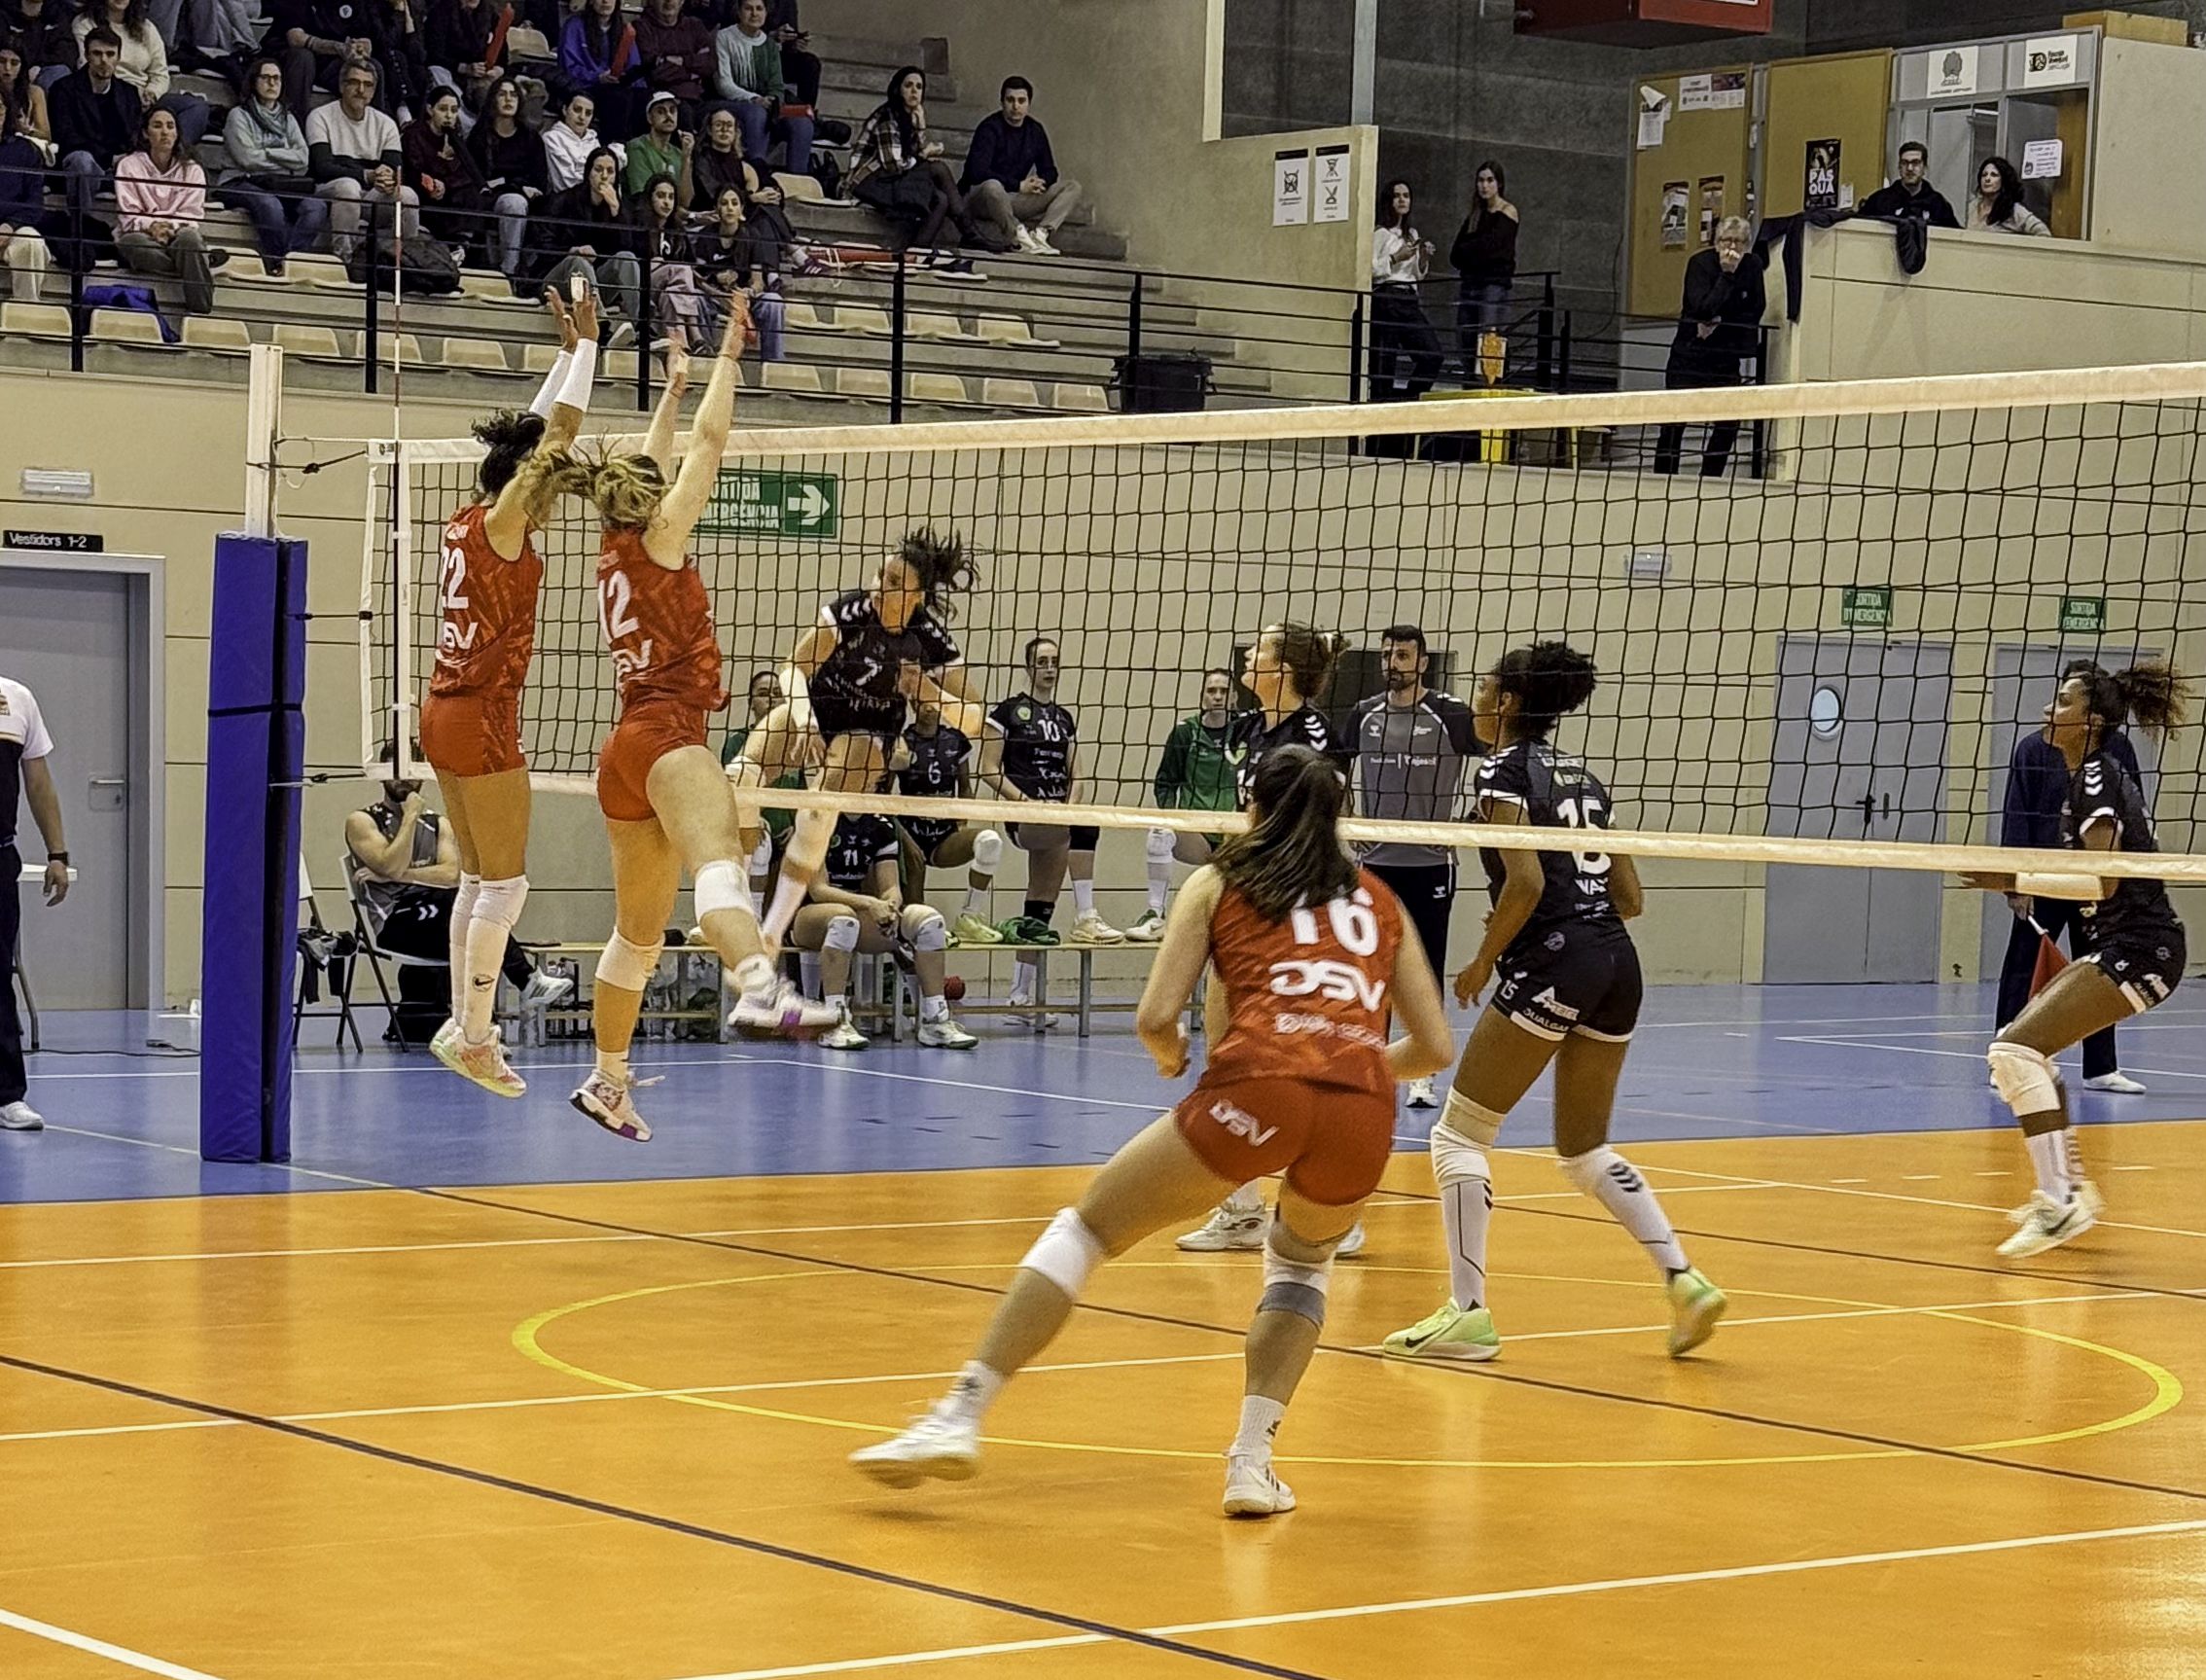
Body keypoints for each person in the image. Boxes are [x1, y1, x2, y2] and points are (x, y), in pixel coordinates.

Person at [850, 745, 1454, 1512]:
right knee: (1300, 1266)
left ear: (1253, 812)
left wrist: (1175, 1060)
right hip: (1363, 1109)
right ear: (1339, 817)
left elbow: (1155, 1018)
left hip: (1259, 1085)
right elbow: (1435, 1047)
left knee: (1086, 1229)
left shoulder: (1221, 879)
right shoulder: (1380, 901)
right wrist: (1353, 1064)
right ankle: (1249, 1462)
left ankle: (957, 1414)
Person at [1381, 641, 1726, 1365]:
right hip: (1616, 963)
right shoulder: (1588, 778)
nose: (1474, 698)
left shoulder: (1501, 771)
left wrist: (1481, 962)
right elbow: (1630, 897)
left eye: (1482, 687)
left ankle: (1469, 1314)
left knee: (1459, 1135)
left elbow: (1528, 883)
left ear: (1507, 702)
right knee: (1584, 1147)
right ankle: (1683, 1278)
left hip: (1556, 958)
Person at [552, 317, 841, 1143]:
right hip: (672, 737)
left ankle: (608, 1080)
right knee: (722, 866)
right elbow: (709, 447)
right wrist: (727, 359)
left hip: (625, 753)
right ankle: (757, 987)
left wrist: (671, 389)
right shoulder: (662, 540)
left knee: (636, 939)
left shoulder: (614, 545)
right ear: (653, 501)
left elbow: (657, 460)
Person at [417, 289, 594, 1094]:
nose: (553, 501)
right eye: (545, 490)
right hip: (483, 715)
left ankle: (464, 1024)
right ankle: (478, 1033)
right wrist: (590, 350)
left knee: (478, 880)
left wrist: (559, 357)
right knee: (507, 883)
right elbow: (552, 442)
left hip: (441, 707)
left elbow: (529, 440)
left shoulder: (467, 515)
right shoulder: (504, 526)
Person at [1964, 662, 2191, 1257]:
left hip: (2140, 949)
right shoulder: (2085, 775)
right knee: (2027, 1052)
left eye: (2061, 702)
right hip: (2123, 945)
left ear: (2090, 722)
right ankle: (2067, 1191)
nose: (2048, 711)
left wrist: (2010, 878)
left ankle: (2061, 1203)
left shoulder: (2095, 776)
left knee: (2013, 1052)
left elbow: (2101, 883)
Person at [1178, 624, 1366, 1258]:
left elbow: (1327, 834)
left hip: (1298, 915)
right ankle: (1241, 1208)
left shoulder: (1314, 739)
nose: (1248, 657)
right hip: (1250, 904)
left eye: (1260, 649)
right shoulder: (1253, 730)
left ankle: (1331, 1205)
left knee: (1305, 1060)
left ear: (1282, 668)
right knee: (1231, 1054)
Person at [729, 529, 989, 958]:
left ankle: (772, 932)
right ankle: (741, 909)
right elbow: (793, 669)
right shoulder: (848, 612)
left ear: (915, 597)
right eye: (879, 575)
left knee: (822, 802)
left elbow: (976, 721)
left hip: (872, 732)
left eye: (892, 583)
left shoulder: (930, 640)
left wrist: (927, 691)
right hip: (820, 711)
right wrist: (803, 717)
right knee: (739, 778)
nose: (878, 586)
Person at [1994, 660, 2147, 1097]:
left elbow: (2129, 818)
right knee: (2021, 968)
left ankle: (2101, 1067)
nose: (2053, 709)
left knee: (2098, 973)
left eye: (2066, 700)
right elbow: (2016, 816)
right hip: (2043, 879)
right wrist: (2015, 881)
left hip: (2093, 884)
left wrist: (2123, 881)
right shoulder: (2031, 749)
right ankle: (2007, 1055)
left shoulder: (2118, 753)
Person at [1352, 624, 1477, 1109]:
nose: (1393, 664)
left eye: (1403, 655)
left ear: (1422, 662)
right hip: (1375, 862)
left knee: (1425, 967)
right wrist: (1347, 829)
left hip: (1429, 864)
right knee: (1372, 965)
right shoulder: (1363, 715)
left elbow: (1493, 760)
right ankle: (1372, 1066)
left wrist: (1479, 820)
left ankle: (1422, 1073)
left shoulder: (1451, 714)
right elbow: (1337, 773)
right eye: (1387, 655)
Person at [985, 636, 1121, 1022]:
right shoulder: (1007, 712)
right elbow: (989, 768)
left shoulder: (1064, 718)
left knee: (1040, 907)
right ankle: (1086, 916)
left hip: (1059, 816)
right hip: (1025, 816)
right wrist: (1024, 803)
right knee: (1088, 825)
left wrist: (1070, 806)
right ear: (1029, 668)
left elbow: (1077, 773)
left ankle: (1018, 998)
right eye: (1041, 661)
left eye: (1054, 661)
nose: (1048, 667)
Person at [792, 811, 978, 1051]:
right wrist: (871, 904)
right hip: (809, 915)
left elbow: (891, 887)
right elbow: (818, 890)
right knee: (843, 919)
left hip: (856, 913)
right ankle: (833, 1022)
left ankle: (934, 1020)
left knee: (929, 921)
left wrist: (890, 905)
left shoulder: (880, 825)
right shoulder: (816, 820)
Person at [1130, 666, 1253, 943]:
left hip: (1234, 834)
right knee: (1159, 831)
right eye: (1212, 691)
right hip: (1195, 833)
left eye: (1223, 691)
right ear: (1202, 696)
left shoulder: (1245, 732)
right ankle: (1154, 913)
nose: (1218, 696)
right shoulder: (1185, 733)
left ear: (1233, 696)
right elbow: (1165, 781)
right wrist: (1173, 816)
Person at [1, 670, 69, 1133]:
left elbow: (39, 784)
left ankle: (8, 1095)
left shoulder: (17, 698)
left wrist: (57, 853)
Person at [1652, 213, 1764, 478]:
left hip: (1725, 357)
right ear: (1716, 242)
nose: (1731, 248)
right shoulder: (1699, 264)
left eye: (1738, 242)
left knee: (1729, 422)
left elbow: (1755, 308)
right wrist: (1726, 276)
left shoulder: (1753, 266)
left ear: (1746, 245)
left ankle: (1711, 476)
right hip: (1690, 355)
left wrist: (1721, 320)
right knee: (1673, 423)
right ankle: (1663, 476)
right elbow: (1701, 307)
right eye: (1726, 241)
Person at [846, 64, 982, 280]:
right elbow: (894, 165)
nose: (914, 91)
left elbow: (914, 159)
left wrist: (921, 128)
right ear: (898, 89)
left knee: (941, 198)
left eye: (919, 87)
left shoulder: (911, 115)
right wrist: (924, 154)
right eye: (908, 85)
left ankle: (916, 253)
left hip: (892, 181)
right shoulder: (887, 116)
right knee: (937, 168)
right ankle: (968, 230)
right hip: (868, 182)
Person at [891, 696, 1000, 947]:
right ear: (912, 704)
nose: (929, 707)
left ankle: (969, 918)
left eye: (934, 701)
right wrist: (901, 838)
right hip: (911, 834)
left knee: (990, 841)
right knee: (916, 910)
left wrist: (960, 825)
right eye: (921, 702)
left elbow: (965, 787)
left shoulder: (955, 739)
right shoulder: (902, 743)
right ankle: (921, 936)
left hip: (944, 836)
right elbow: (884, 796)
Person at [220, 55, 331, 271]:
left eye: (277, 79)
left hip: (280, 183)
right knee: (270, 205)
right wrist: (284, 157)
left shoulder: (288, 119)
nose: (272, 83)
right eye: (266, 77)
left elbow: (303, 160)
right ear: (253, 82)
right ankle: (277, 261)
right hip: (239, 180)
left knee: (316, 207)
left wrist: (266, 152)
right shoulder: (238, 116)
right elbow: (247, 160)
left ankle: (290, 260)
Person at [308, 57, 421, 264]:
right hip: (329, 190)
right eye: (354, 82)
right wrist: (366, 175)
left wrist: (388, 179)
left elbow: (395, 169)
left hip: (371, 195)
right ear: (342, 86)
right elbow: (322, 167)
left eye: (368, 85)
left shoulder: (386, 123)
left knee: (407, 195)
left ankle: (407, 262)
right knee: (348, 187)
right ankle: (344, 259)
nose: (361, 90)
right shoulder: (320, 116)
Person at [526, 142, 641, 343]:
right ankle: (601, 325)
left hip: (593, 285)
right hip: (557, 279)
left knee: (627, 258)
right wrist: (572, 250)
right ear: (588, 173)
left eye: (610, 171)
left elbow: (625, 247)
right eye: (598, 170)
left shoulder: (619, 208)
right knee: (578, 261)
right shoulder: (564, 200)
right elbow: (543, 246)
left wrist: (616, 212)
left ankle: (641, 326)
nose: (604, 176)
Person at [115, 106, 221, 314]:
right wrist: (152, 226)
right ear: (146, 133)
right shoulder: (129, 165)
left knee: (190, 239)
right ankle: (197, 261)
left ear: (177, 133)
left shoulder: (192, 169)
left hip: (178, 234)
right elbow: (129, 214)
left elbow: (191, 215)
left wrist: (168, 227)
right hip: (142, 234)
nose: (165, 132)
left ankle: (200, 312)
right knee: (131, 243)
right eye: (157, 126)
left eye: (170, 126)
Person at [960, 76, 1081, 257]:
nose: (1016, 106)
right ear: (1002, 102)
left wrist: (1041, 183)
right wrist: (1018, 185)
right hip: (984, 199)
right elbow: (976, 172)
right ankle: (1018, 237)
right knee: (993, 185)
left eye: (1021, 101)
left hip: (1017, 198)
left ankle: (1041, 234)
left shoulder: (1035, 130)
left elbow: (1050, 170)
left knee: (1072, 187)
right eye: (1010, 100)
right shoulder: (989, 128)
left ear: (1028, 104)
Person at [72, 0, 208, 149]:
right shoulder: (85, 24)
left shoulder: (146, 27)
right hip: (108, 97)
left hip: (145, 99)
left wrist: (151, 94)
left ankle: (168, 156)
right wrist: (129, 95)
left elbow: (160, 72)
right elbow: (89, 67)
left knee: (196, 106)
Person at [711, 0, 807, 174]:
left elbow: (776, 84)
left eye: (759, 9)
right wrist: (754, 98)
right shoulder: (724, 37)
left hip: (765, 104)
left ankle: (798, 179)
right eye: (748, 8)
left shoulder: (769, 44)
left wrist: (773, 100)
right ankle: (756, 173)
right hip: (730, 102)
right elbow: (724, 85)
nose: (754, 14)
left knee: (802, 122)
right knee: (756, 113)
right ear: (739, 12)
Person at [51, 27, 141, 213]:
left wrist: (127, 160)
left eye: (110, 54)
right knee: (81, 159)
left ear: (118, 57)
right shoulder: (64, 88)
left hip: (119, 168)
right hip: (82, 166)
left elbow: (135, 133)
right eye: (97, 54)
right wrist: (109, 158)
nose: (104, 61)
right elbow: (66, 136)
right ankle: (81, 228)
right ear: (86, 55)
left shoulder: (129, 92)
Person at [1370, 178, 1441, 402]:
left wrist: (1424, 258)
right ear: (1389, 201)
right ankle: (1382, 415)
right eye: (1397, 195)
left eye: (1406, 195)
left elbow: (1417, 274)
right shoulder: (1380, 233)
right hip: (1387, 297)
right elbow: (1368, 269)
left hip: (1408, 299)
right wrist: (1394, 258)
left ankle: (1409, 400)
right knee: (1384, 365)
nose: (1402, 199)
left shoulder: (1412, 233)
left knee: (1432, 355)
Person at [692, 182, 783, 357]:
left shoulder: (752, 235)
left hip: (743, 300)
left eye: (734, 203)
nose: (729, 208)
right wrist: (717, 293)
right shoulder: (706, 235)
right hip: (714, 297)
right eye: (724, 203)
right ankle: (707, 355)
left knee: (774, 301)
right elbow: (697, 278)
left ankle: (774, 363)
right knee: (695, 299)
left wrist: (749, 291)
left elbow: (758, 281)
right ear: (716, 208)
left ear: (741, 209)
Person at [465, 71, 543, 276]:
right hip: (488, 199)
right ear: (493, 100)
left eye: (513, 95)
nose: (508, 99)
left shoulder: (531, 138)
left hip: (522, 199)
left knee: (516, 203)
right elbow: (479, 180)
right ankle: (506, 270)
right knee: (513, 202)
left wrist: (505, 183)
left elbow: (539, 182)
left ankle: (512, 271)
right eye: (502, 94)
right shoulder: (479, 136)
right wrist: (514, 184)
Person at [404, 84, 491, 259]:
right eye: (443, 109)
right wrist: (441, 164)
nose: (449, 115)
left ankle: (463, 246)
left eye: (454, 110)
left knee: (473, 193)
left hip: (449, 195)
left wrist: (446, 182)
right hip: (423, 196)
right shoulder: (413, 135)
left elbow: (467, 175)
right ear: (430, 109)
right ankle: (458, 245)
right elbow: (414, 171)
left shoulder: (455, 139)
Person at [1449, 159, 1515, 385]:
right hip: (1470, 284)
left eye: (1489, 180)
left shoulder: (1507, 212)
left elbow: (1494, 248)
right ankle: (1471, 380)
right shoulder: (1474, 217)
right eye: (1480, 180)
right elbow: (1455, 254)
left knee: (1489, 336)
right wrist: (1475, 251)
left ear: (1499, 183)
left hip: (1493, 285)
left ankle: (1490, 381)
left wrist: (1472, 251)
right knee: (1465, 336)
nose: (1484, 186)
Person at [632, 170, 704, 349]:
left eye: (671, 197)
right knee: (681, 270)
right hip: (643, 284)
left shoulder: (677, 230)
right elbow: (631, 261)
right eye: (661, 196)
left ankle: (681, 345)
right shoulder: (638, 224)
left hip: (668, 288)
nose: (666, 202)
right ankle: (695, 332)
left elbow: (691, 262)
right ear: (650, 198)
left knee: (671, 295)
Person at [557, 0, 637, 143]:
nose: (605, 1)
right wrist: (598, 77)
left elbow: (634, 65)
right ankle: (612, 147)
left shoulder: (624, 29)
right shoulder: (574, 26)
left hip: (620, 88)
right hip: (586, 88)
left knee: (643, 98)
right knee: (618, 99)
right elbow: (569, 67)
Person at [0, 88, 53, 302]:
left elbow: (34, 204)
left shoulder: (25, 150)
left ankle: (26, 311)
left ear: (6, 113)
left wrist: (9, 225)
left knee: (31, 242)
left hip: (11, 230)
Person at [633, 0, 711, 125]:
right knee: (683, 112)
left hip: (698, 98)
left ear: (681, 2)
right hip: (659, 96)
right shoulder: (641, 26)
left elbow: (709, 64)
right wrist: (692, 74)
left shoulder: (695, 25)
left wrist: (681, 60)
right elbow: (657, 73)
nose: (669, 2)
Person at [1859, 140, 1960, 229]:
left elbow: (1954, 236)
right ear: (1899, 167)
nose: (1910, 168)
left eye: (1915, 163)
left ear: (1924, 168)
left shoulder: (1938, 204)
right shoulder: (1880, 200)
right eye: (1904, 163)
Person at [620, 88, 691, 208]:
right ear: (649, 118)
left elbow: (685, 202)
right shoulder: (637, 147)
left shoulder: (679, 153)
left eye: (672, 111)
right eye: (661, 111)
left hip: (672, 217)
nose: (668, 115)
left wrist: (686, 158)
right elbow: (643, 197)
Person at [541, 87, 609, 194]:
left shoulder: (594, 141)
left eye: (588, 113)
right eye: (577, 110)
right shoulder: (552, 139)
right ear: (565, 110)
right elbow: (566, 182)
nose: (582, 117)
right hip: (565, 201)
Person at [1969, 156, 2049, 237]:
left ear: (2004, 180)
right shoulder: (1971, 207)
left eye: (1994, 175)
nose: (1987, 179)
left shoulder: (2013, 210)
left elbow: (2043, 232)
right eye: (1984, 175)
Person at [0, 38, 51, 138]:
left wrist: (26, 130)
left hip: (22, 145)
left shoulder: (34, 93)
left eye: (14, 63)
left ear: (22, 66)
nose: (7, 68)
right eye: (2, 61)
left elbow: (46, 136)